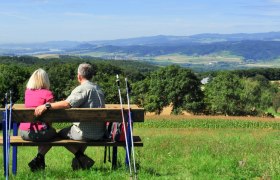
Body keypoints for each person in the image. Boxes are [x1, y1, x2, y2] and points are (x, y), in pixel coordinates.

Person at [34, 63, 105, 170]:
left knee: (59, 135)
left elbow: (67, 104)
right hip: (99, 132)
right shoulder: (98, 89)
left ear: (79, 76)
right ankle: (80, 162)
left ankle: (80, 157)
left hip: (84, 133)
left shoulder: (82, 89)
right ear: (91, 75)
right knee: (83, 129)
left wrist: (47, 105)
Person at [19, 68, 57, 172]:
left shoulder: (27, 92)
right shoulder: (47, 94)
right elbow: (51, 118)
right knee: (54, 135)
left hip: (23, 132)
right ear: (45, 80)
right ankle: (38, 158)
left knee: (45, 133)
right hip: (38, 133)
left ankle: (39, 164)